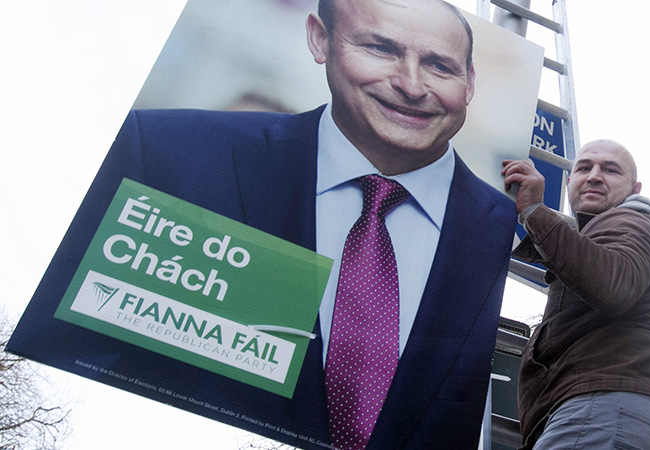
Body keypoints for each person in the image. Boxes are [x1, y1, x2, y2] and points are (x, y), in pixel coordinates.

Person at [9, 1, 518, 449]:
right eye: (380, 48)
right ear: (320, 39)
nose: (410, 84)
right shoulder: (166, 152)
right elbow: (77, 345)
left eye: (439, 65)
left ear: (469, 82)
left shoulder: (504, 228)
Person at [501, 139, 650, 449]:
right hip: (619, 420)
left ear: (635, 189)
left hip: (601, 415)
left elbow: (614, 284)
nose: (594, 176)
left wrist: (534, 211)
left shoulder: (633, 218)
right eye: (584, 168)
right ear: (570, 180)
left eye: (611, 170)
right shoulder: (604, 234)